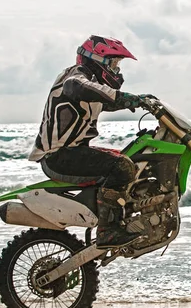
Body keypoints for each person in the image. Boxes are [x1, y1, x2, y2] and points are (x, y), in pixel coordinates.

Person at [28, 35, 155, 248]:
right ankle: (109, 231)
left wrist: (138, 100)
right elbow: (76, 87)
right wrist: (123, 97)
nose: (117, 70)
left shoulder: (92, 85)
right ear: (99, 60)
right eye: (114, 63)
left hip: (70, 153)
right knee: (122, 167)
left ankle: (122, 216)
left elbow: (104, 100)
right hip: (59, 157)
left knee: (130, 156)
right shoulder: (76, 76)